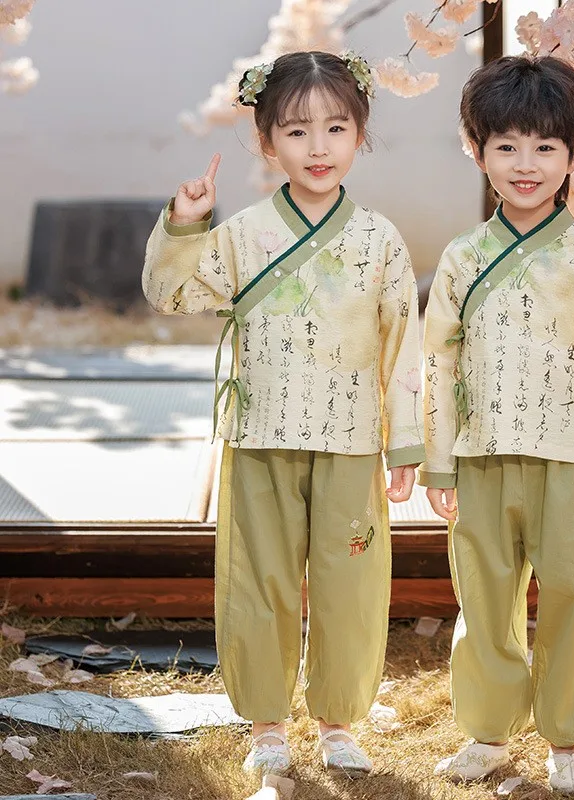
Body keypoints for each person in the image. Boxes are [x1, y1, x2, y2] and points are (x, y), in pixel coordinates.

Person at [142, 51, 424, 783]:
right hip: (262, 435)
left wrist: (407, 444)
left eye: (336, 127)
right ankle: (267, 724)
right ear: (266, 142)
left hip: (352, 441)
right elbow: (174, 296)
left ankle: (337, 723)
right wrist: (187, 223)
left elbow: (404, 347)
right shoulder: (239, 235)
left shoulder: (379, 240)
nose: (319, 147)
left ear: (361, 133)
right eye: (297, 132)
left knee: (349, 586)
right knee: (260, 580)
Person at [419, 54, 574, 794]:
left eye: (546, 148)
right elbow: (439, 364)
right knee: (484, 597)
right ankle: (487, 732)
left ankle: (570, 740)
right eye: (507, 146)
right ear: (477, 148)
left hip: (573, 457)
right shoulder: (462, 258)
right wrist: (437, 462)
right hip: (483, 454)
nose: (526, 165)